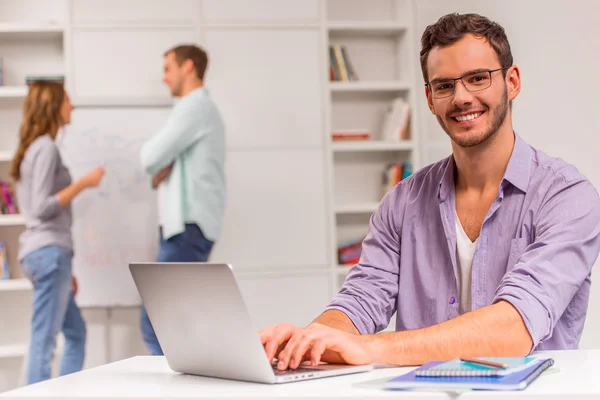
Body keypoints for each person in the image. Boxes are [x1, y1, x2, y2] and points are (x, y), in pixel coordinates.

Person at [260, 12, 600, 370]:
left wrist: (372, 349)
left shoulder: (567, 198)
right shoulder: (402, 202)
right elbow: (360, 301)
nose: (461, 97)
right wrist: (307, 340)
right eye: (444, 85)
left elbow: (514, 328)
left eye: (477, 78)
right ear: (429, 98)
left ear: (511, 82)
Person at [11, 81, 105, 384]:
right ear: (53, 105)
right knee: (44, 339)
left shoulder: (35, 148)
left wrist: (66, 270)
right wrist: (82, 184)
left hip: (51, 255)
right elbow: (40, 207)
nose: (72, 106)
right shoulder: (46, 148)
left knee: (75, 333)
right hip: (49, 252)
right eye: (67, 100)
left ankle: (63, 392)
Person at [139, 44, 226, 355]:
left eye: (167, 69)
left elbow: (150, 157)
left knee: (157, 321)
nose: (164, 78)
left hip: (187, 228)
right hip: (188, 227)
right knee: (177, 322)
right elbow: (159, 166)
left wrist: (160, 163)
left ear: (188, 67)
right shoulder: (197, 110)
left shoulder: (194, 107)